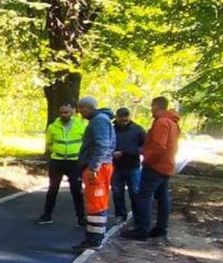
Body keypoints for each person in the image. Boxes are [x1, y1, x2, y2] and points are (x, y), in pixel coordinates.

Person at [125, 97, 181, 241]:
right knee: (162, 196)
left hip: (156, 165)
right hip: (167, 164)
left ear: (156, 107)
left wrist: (148, 158)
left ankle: (142, 229)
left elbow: (158, 146)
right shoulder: (172, 122)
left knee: (143, 196)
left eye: (152, 106)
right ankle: (161, 228)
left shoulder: (161, 122)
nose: (151, 109)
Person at [75, 96, 115, 250]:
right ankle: (93, 237)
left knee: (95, 203)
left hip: (97, 168)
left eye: (81, 109)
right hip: (99, 166)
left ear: (88, 108)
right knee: (94, 202)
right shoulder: (101, 119)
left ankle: (94, 239)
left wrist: (94, 167)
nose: (80, 113)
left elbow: (102, 145)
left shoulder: (99, 120)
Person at [38, 104, 87, 226]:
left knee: (76, 190)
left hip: (74, 162)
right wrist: (57, 151)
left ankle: (81, 218)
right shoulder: (52, 127)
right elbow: (49, 143)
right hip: (57, 161)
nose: (64, 115)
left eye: (67, 112)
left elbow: (86, 142)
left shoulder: (82, 125)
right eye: (62, 112)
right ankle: (47, 216)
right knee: (52, 189)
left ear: (73, 112)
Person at [111, 107, 145, 223]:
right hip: (116, 166)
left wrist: (128, 151)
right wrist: (112, 153)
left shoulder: (138, 130)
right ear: (117, 117)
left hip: (133, 165)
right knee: (117, 192)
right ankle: (120, 215)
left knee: (135, 192)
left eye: (126, 117)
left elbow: (144, 147)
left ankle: (137, 216)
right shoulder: (112, 129)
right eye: (121, 117)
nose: (124, 120)